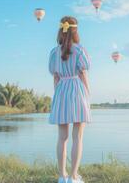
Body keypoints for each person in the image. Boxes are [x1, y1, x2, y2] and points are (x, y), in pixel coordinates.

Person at [48, 16, 91, 183]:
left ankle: (62, 176)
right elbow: (83, 74)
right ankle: (73, 177)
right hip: (77, 91)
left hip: (61, 91)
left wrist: (58, 96)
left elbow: (56, 77)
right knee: (77, 137)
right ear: (76, 31)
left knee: (62, 137)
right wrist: (88, 95)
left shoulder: (53, 52)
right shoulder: (80, 50)